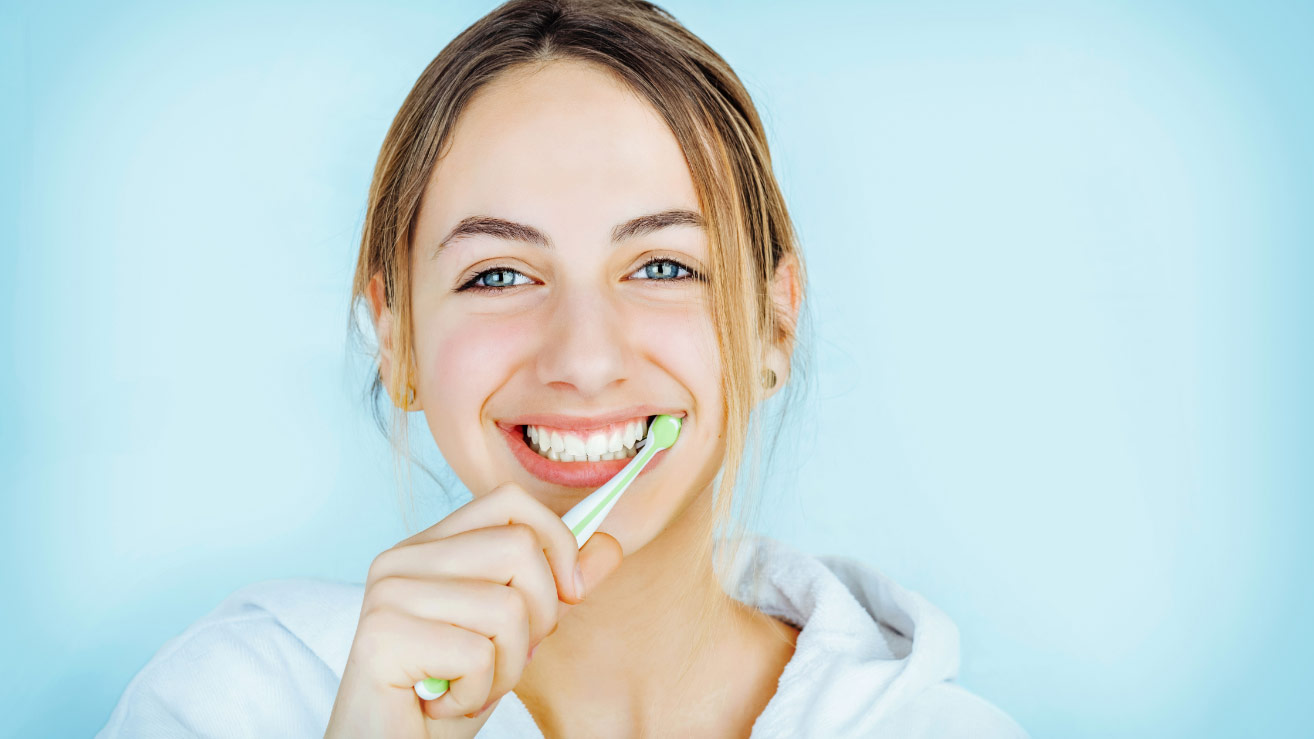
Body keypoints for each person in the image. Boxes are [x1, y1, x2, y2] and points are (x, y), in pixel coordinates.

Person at [98, 1, 1029, 736]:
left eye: (664, 266)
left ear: (772, 324)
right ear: (397, 338)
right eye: (499, 274)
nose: (584, 359)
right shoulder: (222, 709)